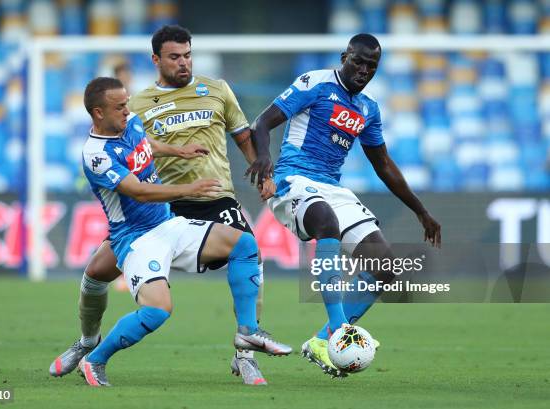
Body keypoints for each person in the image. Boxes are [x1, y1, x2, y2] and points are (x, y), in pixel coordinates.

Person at [49, 25, 283, 386]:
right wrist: (188, 184)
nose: (128, 112)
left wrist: (179, 149)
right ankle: (89, 347)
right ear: (156, 59)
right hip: (143, 225)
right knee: (102, 278)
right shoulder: (99, 151)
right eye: (175, 56)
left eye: (188, 55)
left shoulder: (136, 120)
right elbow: (139, 192)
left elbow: (148, 143)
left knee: (247, 247)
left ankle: (247, 347)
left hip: (190, 209)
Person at [246, 33, 441, 377]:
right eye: (358, 62)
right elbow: (262, 122)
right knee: (326, 222)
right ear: (344, 56)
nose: (364, 70)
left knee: (386, 269)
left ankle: (322, 341)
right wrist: (264, 159)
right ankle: (340, 329)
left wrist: (421, 211)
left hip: (333, 189)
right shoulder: (316, 83)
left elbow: (383, 165)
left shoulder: (368, 109)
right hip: (295, 181)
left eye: (372, 66)